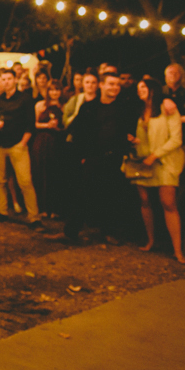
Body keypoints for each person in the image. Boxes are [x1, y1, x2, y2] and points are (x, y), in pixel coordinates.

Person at [56, 72, 132, 244]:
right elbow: (79, 132)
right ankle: (71, 231)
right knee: (82, 193)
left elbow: (128, 130)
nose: (115, 88)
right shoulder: (89, 107)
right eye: (111, 84)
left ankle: (109, 232)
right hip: (92, 157)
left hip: (114, 157)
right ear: (102, 85)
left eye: (117, 85)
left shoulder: (124, 108)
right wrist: (82, 155)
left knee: (111, 195)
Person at [130, 78, 185, 262]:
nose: (140, 90)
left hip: (165, 160)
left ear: (153, 89)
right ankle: (151, 241)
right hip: (142, 160)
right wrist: (133, 140)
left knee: (168, 202)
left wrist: (155, 155)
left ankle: (177, 250)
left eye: (143, 87)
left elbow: (176, 139)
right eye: (138, 88)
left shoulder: (167, 107)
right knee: (144, 200)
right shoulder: (138, 109)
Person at [0, 68, 43, 230]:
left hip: (18, 145)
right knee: (0, 180)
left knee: (25, 181)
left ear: (15, 80)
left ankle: (34, 217)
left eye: (9, 79)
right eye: (3, 79)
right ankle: (2, 211)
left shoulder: (25, 99)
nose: (6, 82)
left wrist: (23, 143)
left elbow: (30, 124)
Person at [31, 80, 64, 218]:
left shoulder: (64, 106)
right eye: (51, 90)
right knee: (40, 173)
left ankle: (55, 208)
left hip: (57, 142)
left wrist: (57, 127)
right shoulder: (40, 105)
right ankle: (42, 208)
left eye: (57, 89)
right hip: (42, 140)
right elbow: (34, 124)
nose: (54, 92)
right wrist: (47, 125)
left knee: (55, 174)